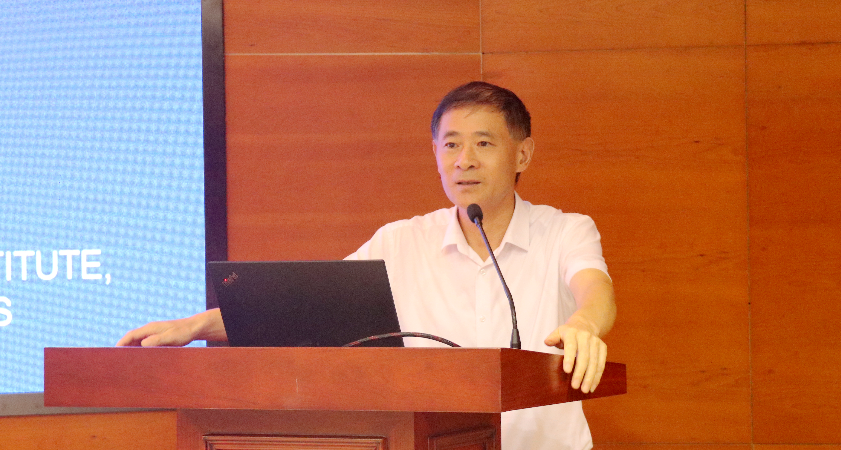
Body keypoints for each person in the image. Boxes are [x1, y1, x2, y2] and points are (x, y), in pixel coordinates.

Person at [118, 81, 616, 450]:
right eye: (451, 144)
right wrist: (196, 326)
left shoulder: (565, 230)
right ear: (436, 153)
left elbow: (595, 291)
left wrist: (583, 325)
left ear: (523, 154)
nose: (464, 160)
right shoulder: (400, 242)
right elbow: (306, 309)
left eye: (483, 143)